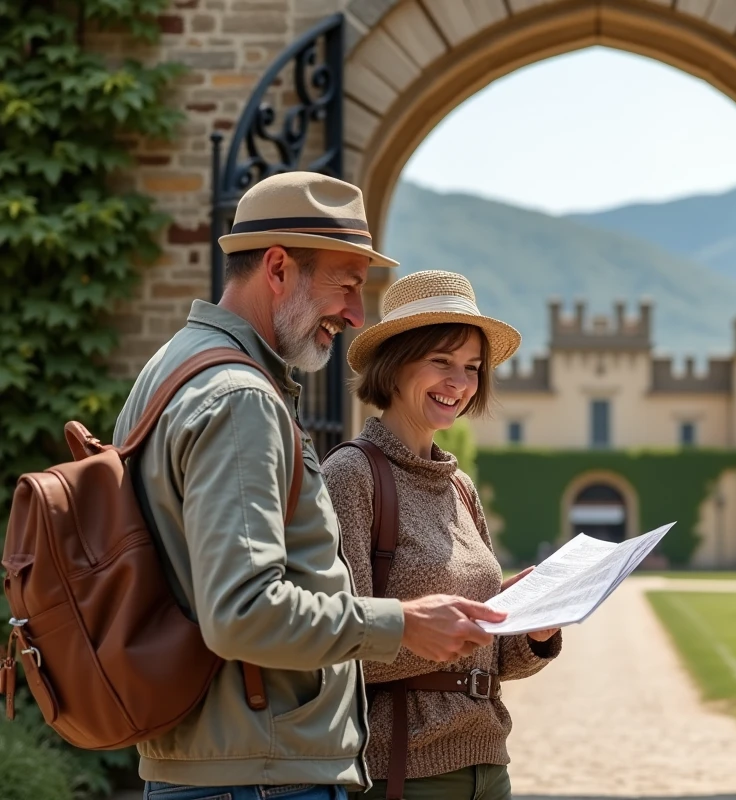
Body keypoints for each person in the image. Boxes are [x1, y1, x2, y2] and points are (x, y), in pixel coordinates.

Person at [113, 173, 506, 800]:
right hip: (260, 777)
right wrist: (399, 623)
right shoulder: (240, 398)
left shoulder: (169, 370)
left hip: (229, 764)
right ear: (277, 268)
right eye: (346, 284)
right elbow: (242, 612)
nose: (353, 313)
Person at [323, 270, 563, 800]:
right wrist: (437, 634)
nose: (460, 382)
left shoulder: (460, 485)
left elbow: (493, 663)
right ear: (396, 363)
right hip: (404, 769)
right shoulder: (352, 476)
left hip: (488, 763)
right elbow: (337, 645)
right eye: (441, 362)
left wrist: (530, 629)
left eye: (472, 368)